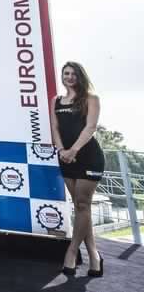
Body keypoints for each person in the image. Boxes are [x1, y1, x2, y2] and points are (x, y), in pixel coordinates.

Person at [51, 61, 105, 277]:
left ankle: (71, 252)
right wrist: (62, 150)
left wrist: (73, 150)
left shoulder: (91, 99)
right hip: (66, 157)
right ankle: (94, 255)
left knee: (82, 204)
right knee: (82, 208)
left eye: (74, 73)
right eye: (66, 73)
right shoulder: (56, 100)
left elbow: (90, 127)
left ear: (80, 76)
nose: (70, 77)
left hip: (89, 158)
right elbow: (54, 128)